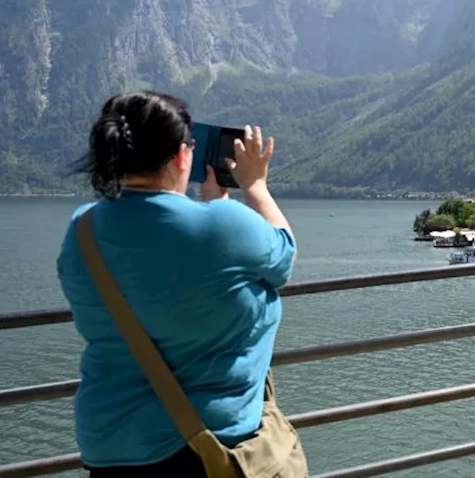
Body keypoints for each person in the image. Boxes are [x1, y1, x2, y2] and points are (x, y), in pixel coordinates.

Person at [57, 91, 298, 476]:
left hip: (111, 447)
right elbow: (284, 256)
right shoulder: (225, 223)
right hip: (209, 449)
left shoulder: (82, 229)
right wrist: (255, 188)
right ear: (183, 155)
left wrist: (211, 211)